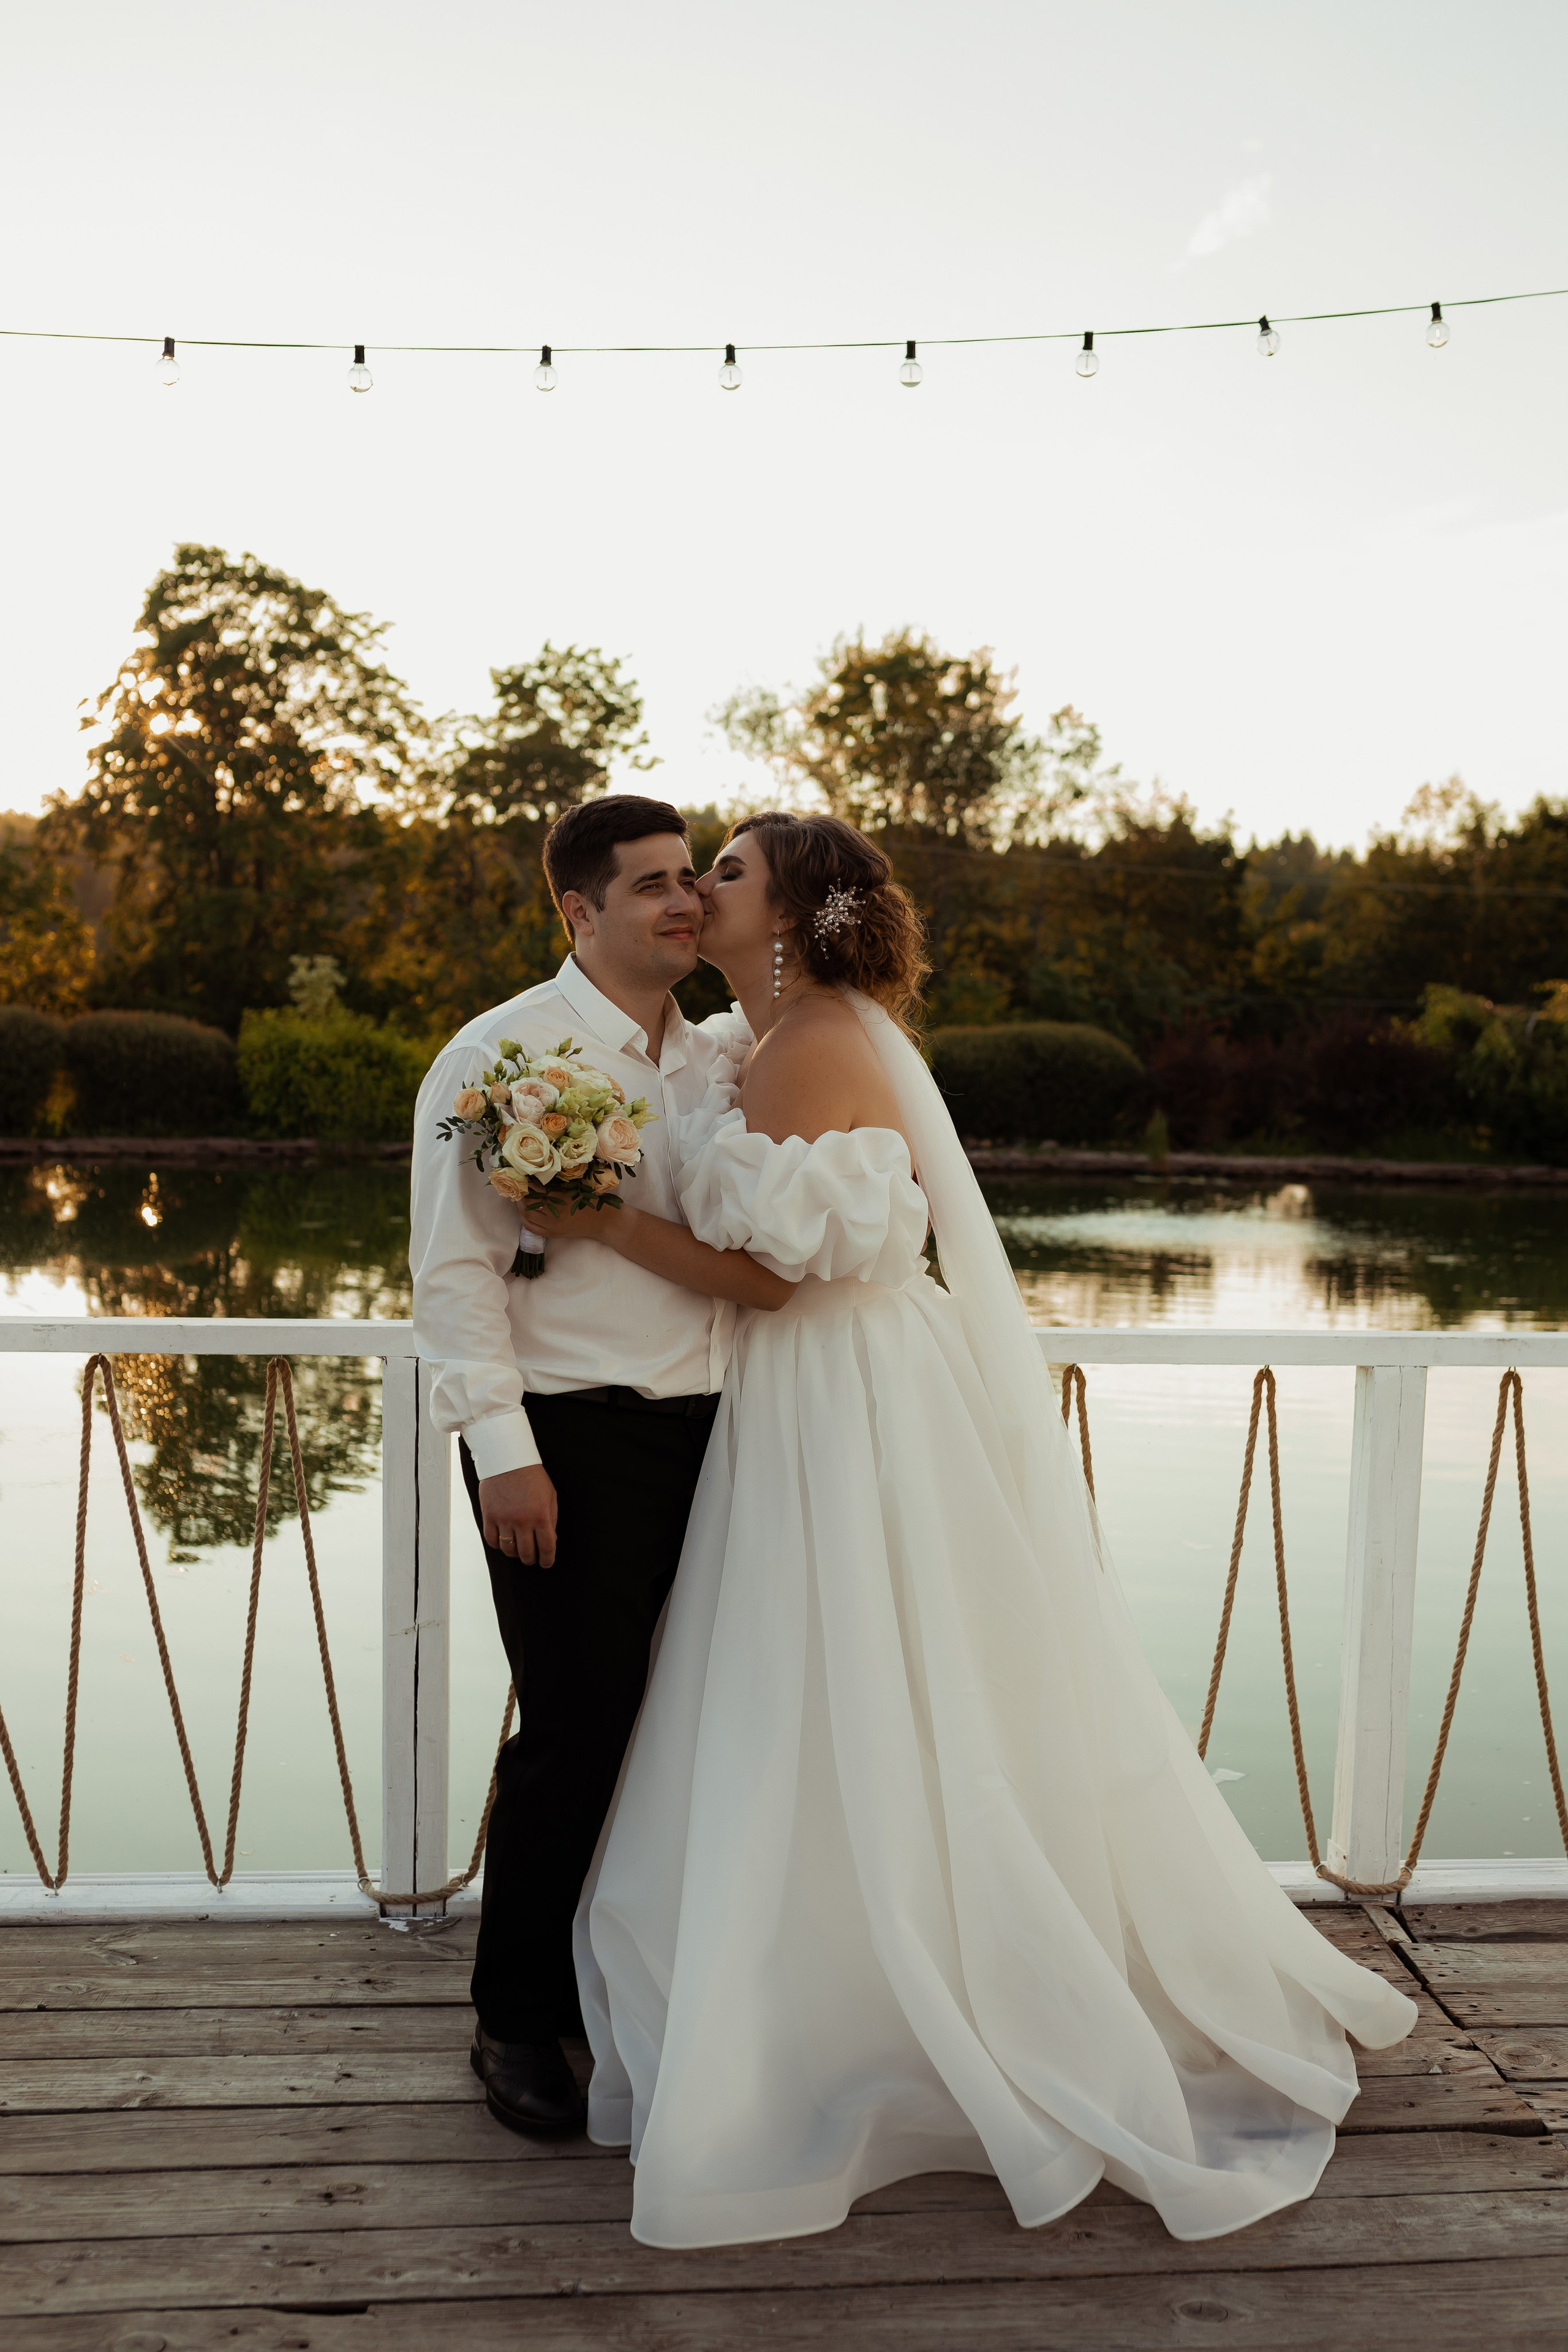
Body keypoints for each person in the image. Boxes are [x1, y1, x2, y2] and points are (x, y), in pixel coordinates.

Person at [521, 810, 1419, 2247]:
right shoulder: (767, 1040)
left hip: (840, 1391)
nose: (702, 892)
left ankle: (883, 1982)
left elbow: (772, 1274)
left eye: (728, 873)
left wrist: (599, 1220)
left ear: (795, 910)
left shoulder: (813, 1039)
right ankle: (839, 1952)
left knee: (849, 1676)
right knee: (841, 1681)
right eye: (690, 877)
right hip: (818, 1389)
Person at [409, 794, 790, 2140]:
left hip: (724, 1430)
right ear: (577, 909)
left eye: (692, 879)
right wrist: (502, 1456)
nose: (683, 902)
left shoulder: (720, 1059)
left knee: (688, 1726)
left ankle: (621, 1983)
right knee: (576, 1728)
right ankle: (514, 2018)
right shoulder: (494, 1057)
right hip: (566, 1436)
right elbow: (453, 1278)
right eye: (650, 886)